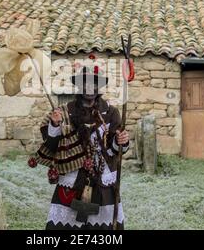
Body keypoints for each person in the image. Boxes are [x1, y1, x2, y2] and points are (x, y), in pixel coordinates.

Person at [30, 62, 129, 230]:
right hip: (72, 175)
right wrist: (55, 125)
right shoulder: (64, 112)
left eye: (94, 83)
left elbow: (114, 150)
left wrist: (121, 141)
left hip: (102, 178)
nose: (89, 87)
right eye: (85, 82)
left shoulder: (111, 112)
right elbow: (53, 146)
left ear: (99, 87)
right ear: (79, 86)